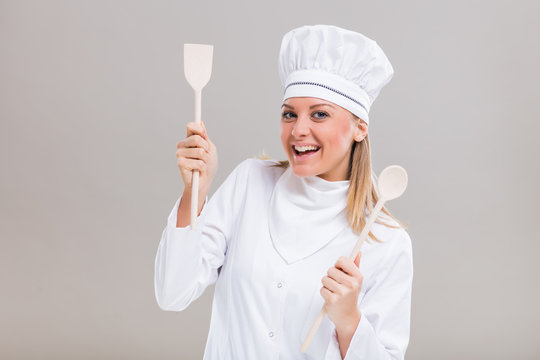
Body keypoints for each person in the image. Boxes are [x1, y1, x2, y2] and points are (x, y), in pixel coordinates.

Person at [154, 24, 413, 360]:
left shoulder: (385, 239)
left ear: (360, 127)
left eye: (319, 114)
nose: (298, 130)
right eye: (289, 114)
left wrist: (349, 321)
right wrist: (196, 190)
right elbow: (172, 292)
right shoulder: (249, 183)